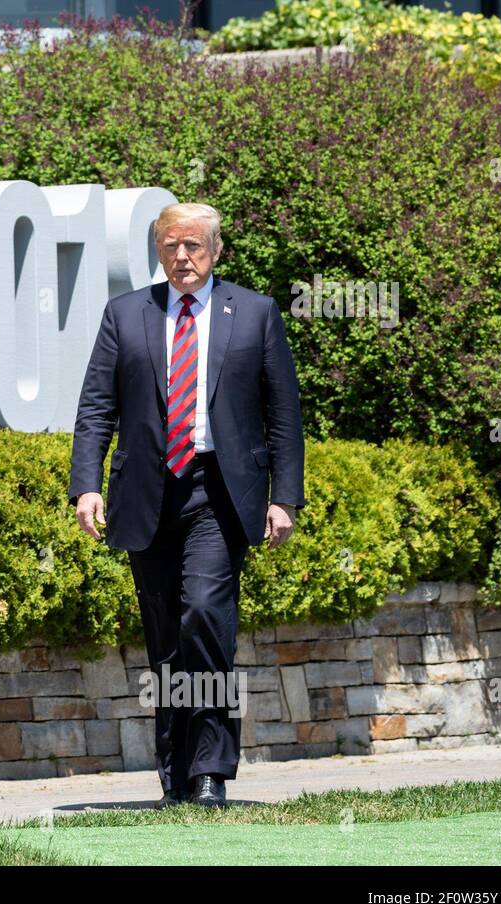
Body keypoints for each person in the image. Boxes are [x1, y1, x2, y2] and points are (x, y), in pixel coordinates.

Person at [68, 202, 306, 808]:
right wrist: (86, 484)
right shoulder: (126, 314)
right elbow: (97, 406)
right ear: (158, 251)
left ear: (217, 251)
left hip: (220, 492)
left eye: (194, 245)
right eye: (171, 246)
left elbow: (283, 416)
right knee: (166, 637)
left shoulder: (254, 313)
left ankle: (211, 769)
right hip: (146, 493)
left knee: (205, 614)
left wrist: (286, 498)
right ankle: (175, 770)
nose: (182, 257)